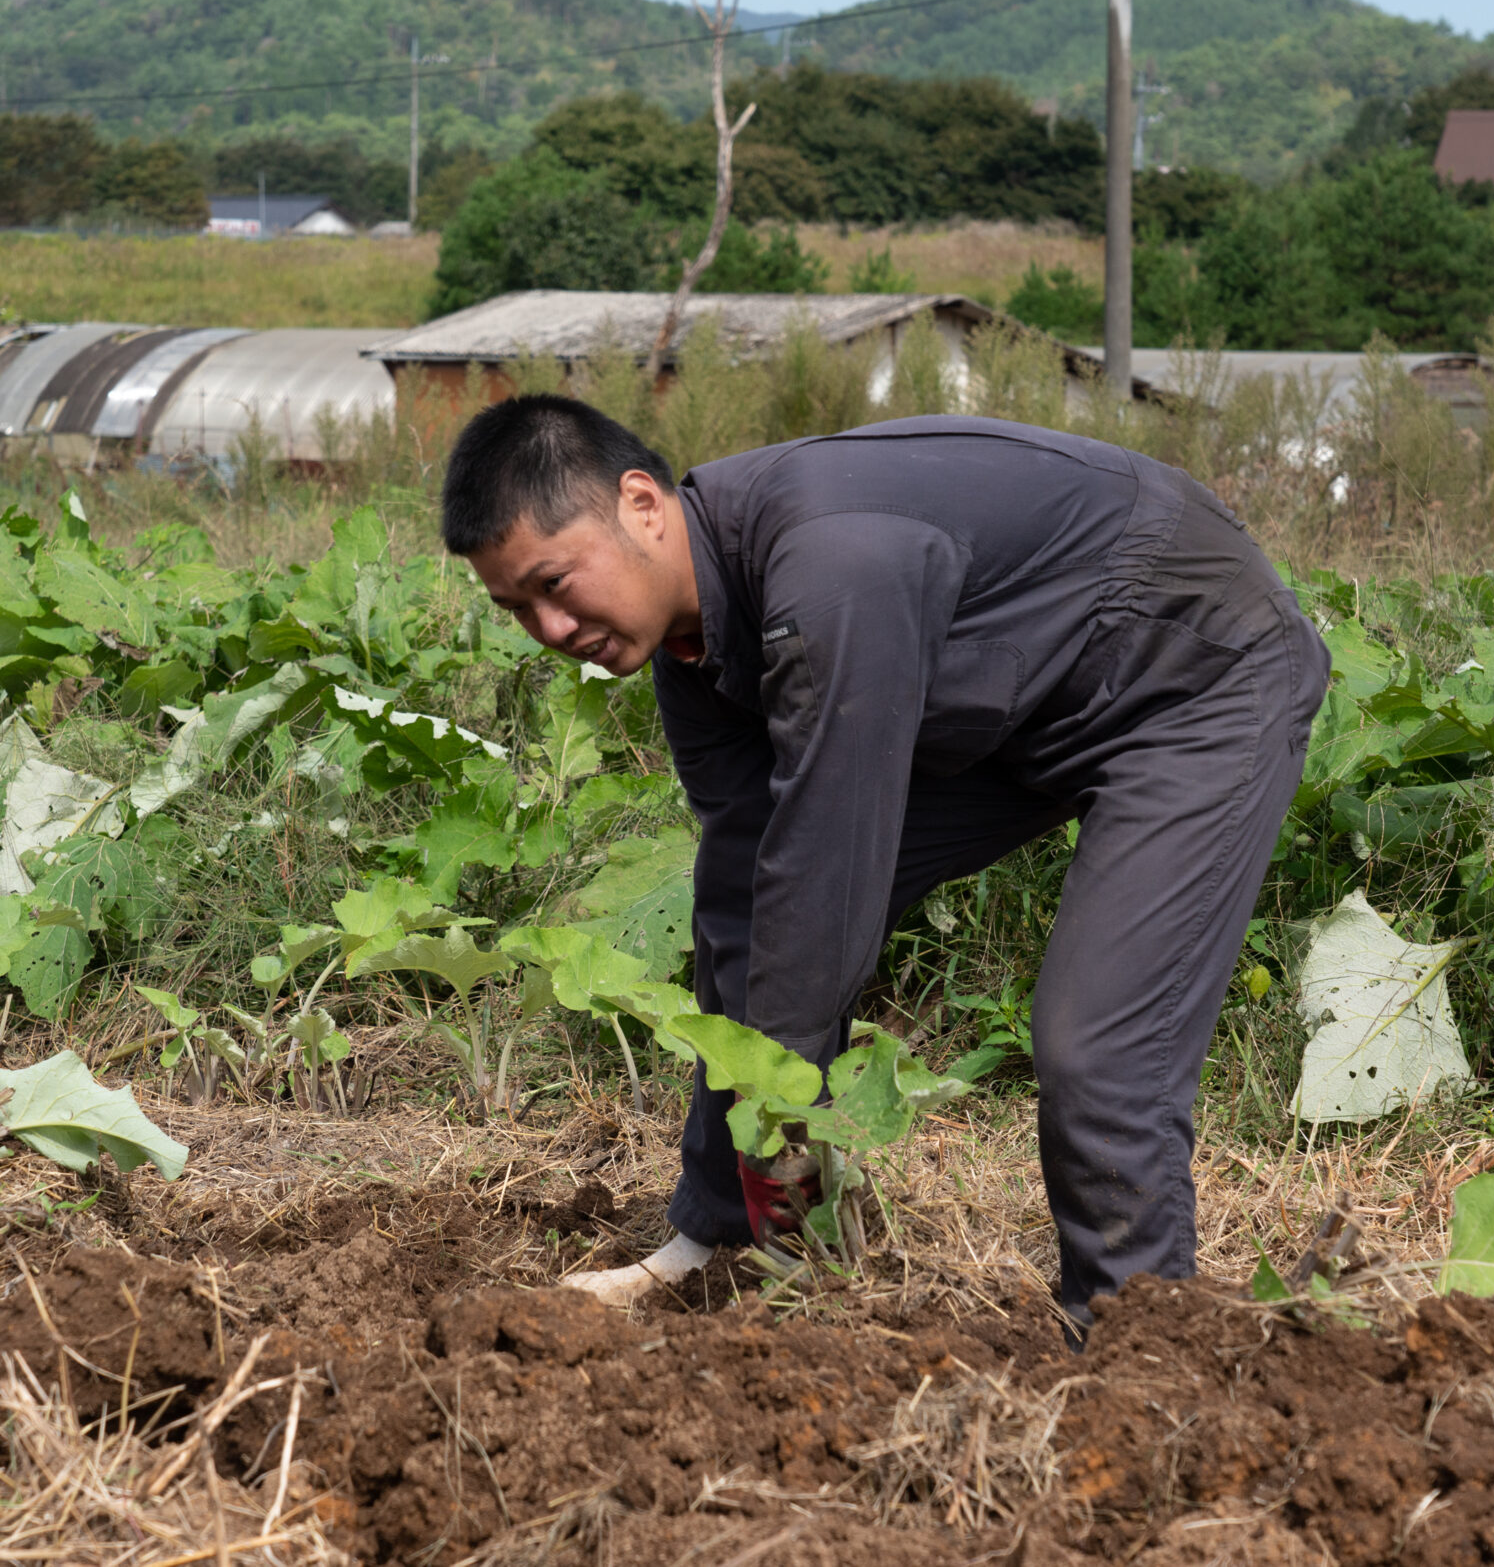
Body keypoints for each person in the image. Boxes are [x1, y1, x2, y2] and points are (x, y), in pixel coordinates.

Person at [442, 395, 1329, 1325]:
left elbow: (828, 875)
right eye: (516, 608)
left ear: (641, 504)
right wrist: (732, 1197)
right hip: (1024, 690)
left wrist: (780, 1119)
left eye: (554, 582)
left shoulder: (831, 568)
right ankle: (719, 1247)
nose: (548, 628)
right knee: (748, 900)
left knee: (1097, 1043)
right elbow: (753, 892)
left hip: (1192, 672)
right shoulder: (691, 651)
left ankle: (1131, 1346)